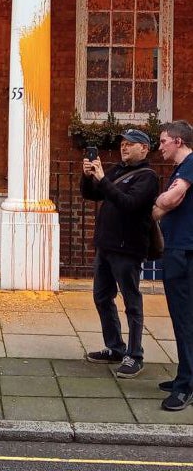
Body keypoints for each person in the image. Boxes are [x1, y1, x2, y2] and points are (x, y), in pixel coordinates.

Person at [80, 128, 159, 379]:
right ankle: (115, 348)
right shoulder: (117, 170)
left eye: (131, 144)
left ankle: (135, 355)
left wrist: (103, 179)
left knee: (132, 303)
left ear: (144, 149)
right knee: (102, 297)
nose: (124, 147)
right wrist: (88, 176)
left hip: (128, 248)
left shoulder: (147, 177)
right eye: (123, 143)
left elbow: (129, 204)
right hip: (106, 246)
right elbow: (92, 194)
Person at [153, 120, 193, 411]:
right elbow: (161, 209)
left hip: (183, 252)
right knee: (183, 320)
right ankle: (185, 376)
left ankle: (184, 387)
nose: (160, 146)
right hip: (179, 250)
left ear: (178, 141)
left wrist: (160, 201)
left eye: (164, 140)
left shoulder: (190, 164)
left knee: (184, 321)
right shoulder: (183, 169)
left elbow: (170, 199)